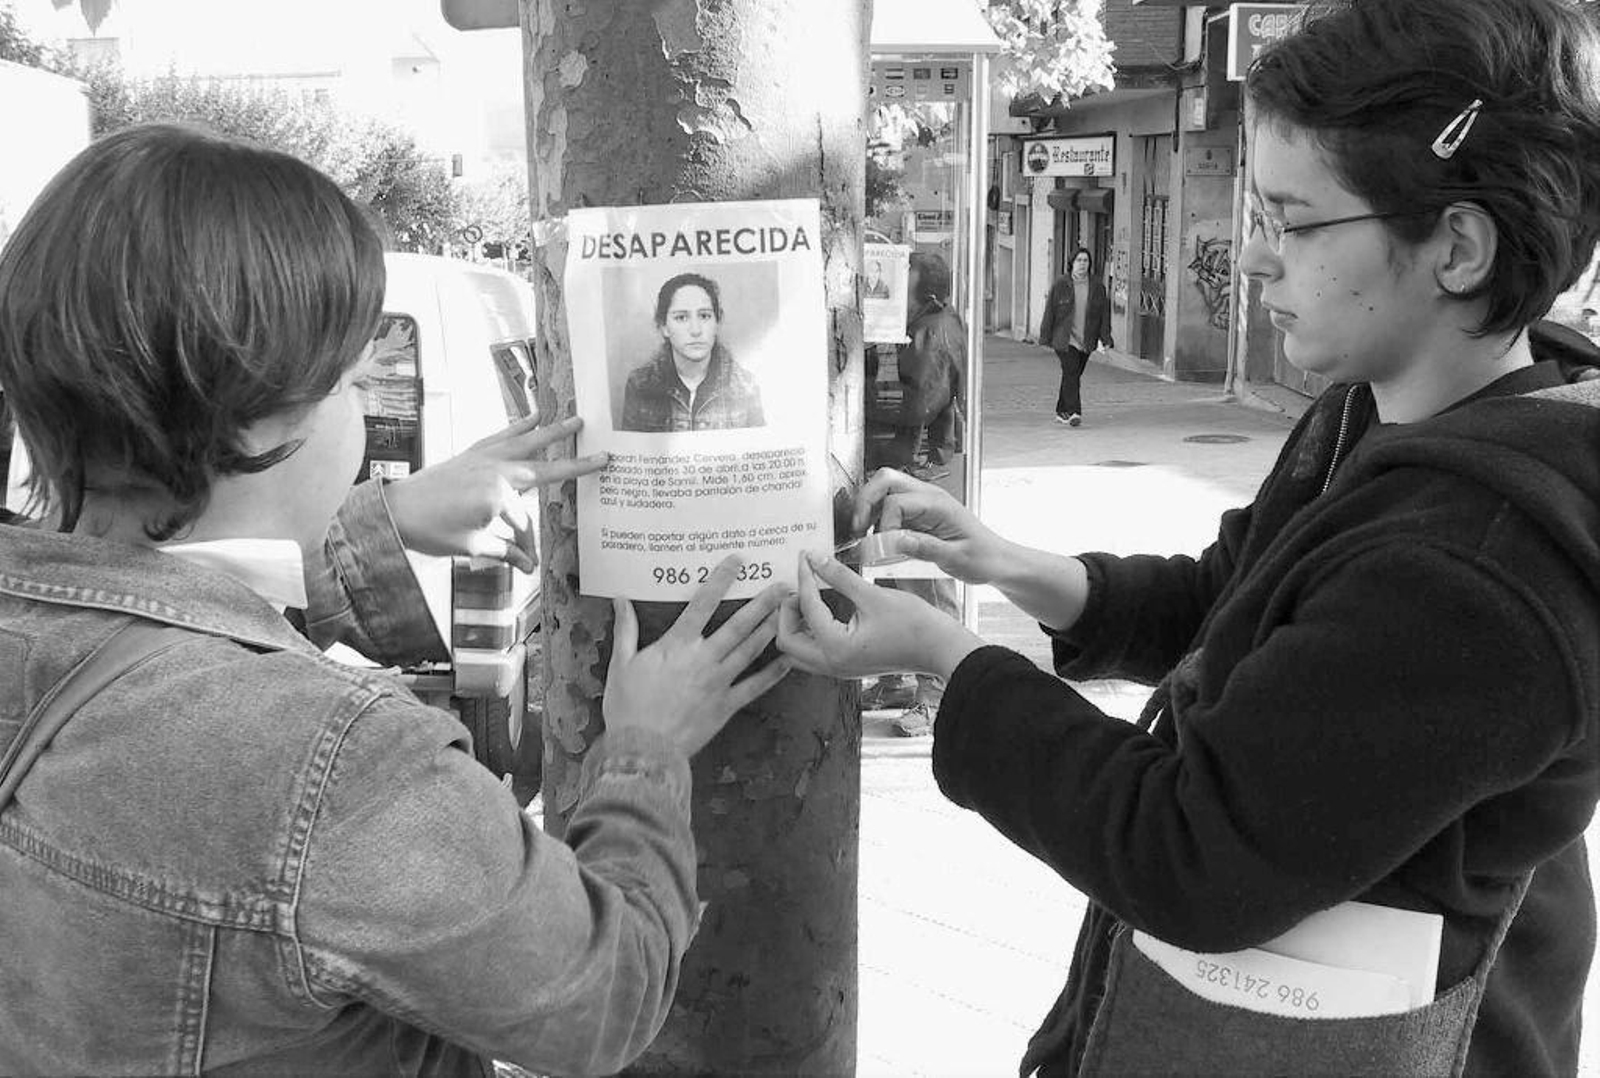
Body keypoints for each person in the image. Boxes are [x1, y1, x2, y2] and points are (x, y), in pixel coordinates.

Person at [778, 0, 1600, 1072]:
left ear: (1456, 247)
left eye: (1293, 223)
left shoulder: (1477, 568)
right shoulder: (1373, 407)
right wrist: (1016, 566)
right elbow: (1236, 599)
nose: (1252, 258)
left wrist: (950, 659)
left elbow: (1188, 850)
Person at [0, 123, 792, 1073]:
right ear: (259, 423)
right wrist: (646, 751)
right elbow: (601, 998)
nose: (361, 411)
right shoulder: (335, 762)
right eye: (350, 383)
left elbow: (165, 626)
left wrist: (388, 518)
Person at [619, 272, 765, 433]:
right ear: (664, 327)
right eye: (681, 318)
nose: (696, 330)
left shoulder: (745, 385)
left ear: (717, 323)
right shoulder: (640, 385)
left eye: (704, 316)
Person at [888, 251, 964, 475]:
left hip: (921, 456)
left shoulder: (929, 332)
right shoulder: (943, 318)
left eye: (905, 292)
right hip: (934, 448)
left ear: (926, 296)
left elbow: (921, 402)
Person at [1038, 247, 1112, 427]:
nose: (1082, 264)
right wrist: (1045, 336)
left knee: (1073, 375)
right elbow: (1050, 311)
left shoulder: (1097, 287)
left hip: (1086, 339)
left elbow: (1103, 315)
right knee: (1071, 372)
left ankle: (1061, 410)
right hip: (1065, 338)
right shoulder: (1061, 284)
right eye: (1079, 260)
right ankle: (1074, 412)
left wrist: (1106, 338)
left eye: (1085, 261)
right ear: (1072, 263)